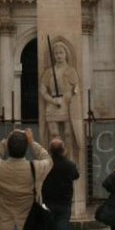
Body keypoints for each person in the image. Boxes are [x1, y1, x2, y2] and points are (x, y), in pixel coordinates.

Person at [37, 138, 78, 230]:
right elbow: (76, 175)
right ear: (63, 150)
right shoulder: (69, 165)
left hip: (46, 205)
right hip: (63, 206)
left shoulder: (45, 165)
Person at [39, 40, 82, 171]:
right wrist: (52, 100)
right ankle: (54, 160)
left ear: (65, 54)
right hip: (53, 106)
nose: (58, 56)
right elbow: (43, 90)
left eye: (61, 53)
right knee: (54, 134)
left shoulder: (71, 70)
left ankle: (67, 159)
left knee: (68, 133)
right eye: (56, 53)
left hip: (67, 105)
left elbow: (76, 87)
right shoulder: (48, 72)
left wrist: (73, 94)